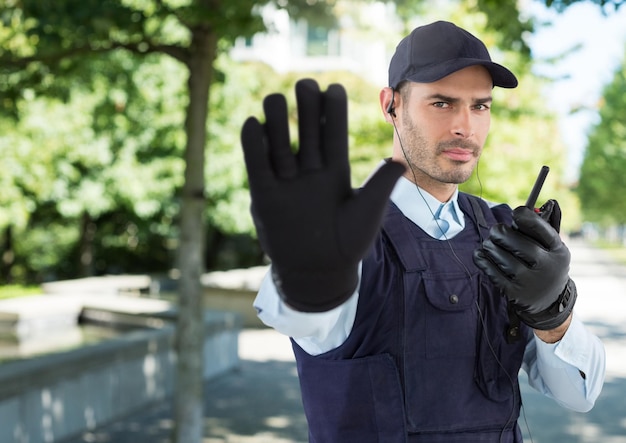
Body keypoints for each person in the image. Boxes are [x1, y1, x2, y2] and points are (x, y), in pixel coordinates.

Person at [240, 20, 605, 443]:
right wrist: (305, 281)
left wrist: (552, 315)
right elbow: (296, 313)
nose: (465, 127)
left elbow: (580, 395)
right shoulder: (344, 237)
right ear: (390, 104)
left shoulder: (504, 236)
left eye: (480, 106)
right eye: (442, 103)